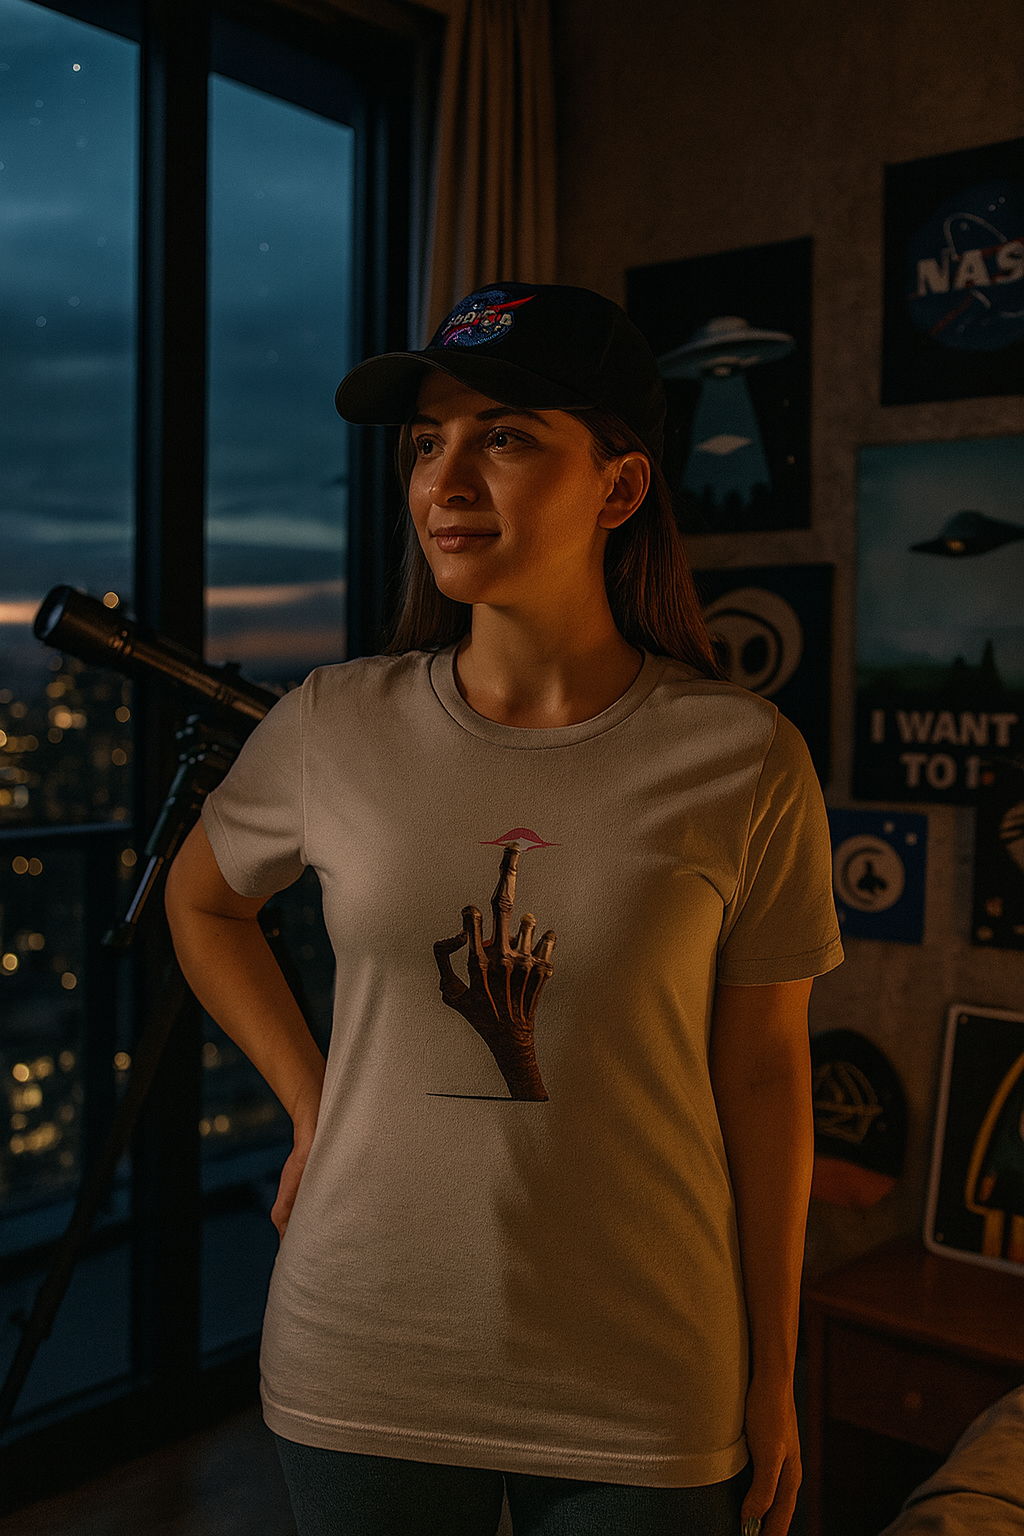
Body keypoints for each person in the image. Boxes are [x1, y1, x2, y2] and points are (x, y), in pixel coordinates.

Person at [164, 282, 843, 1536]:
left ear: (620, 488)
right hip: (363, 1350)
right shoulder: (333, 723)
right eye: (427, 443)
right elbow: (202, 906)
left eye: (506, 436)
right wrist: (315, 1105)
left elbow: (763, 1079)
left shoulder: (741, 757)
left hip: (645, 1368)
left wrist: (773, 1369)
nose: (443, 479)